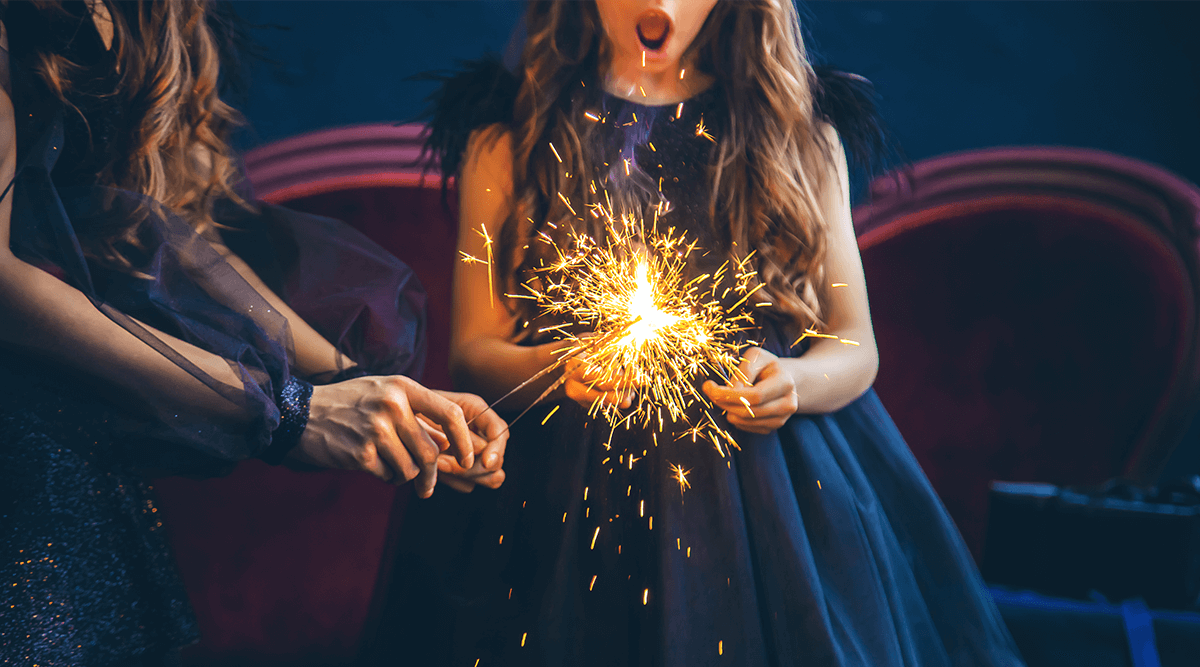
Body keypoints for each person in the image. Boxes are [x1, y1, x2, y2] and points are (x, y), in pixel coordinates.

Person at [367, 0, 1026, 666]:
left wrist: (794, 380)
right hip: (557, 509)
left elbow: (856, 344)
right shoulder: (509, 135)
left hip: (774, 510)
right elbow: (475, 353)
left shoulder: (798, 133)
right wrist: (559, 363)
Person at [0, 1, 507, 664]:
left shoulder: (151, 18)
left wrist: (361, 382)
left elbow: (153, 236)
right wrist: (290, 410)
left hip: (81, 473)